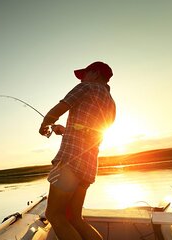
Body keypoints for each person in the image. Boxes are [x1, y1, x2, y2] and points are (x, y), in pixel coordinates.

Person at [39, 61, 116, 240]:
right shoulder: (111, 103)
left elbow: (60, 108)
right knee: (75, 218)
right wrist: (64, 131)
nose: (82, 79)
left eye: (85, 74)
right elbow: (90, 131)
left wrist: (44, 124)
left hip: (69, 162)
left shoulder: (87, 87)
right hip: (88, 166)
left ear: (95, 73)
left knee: (54, 215)